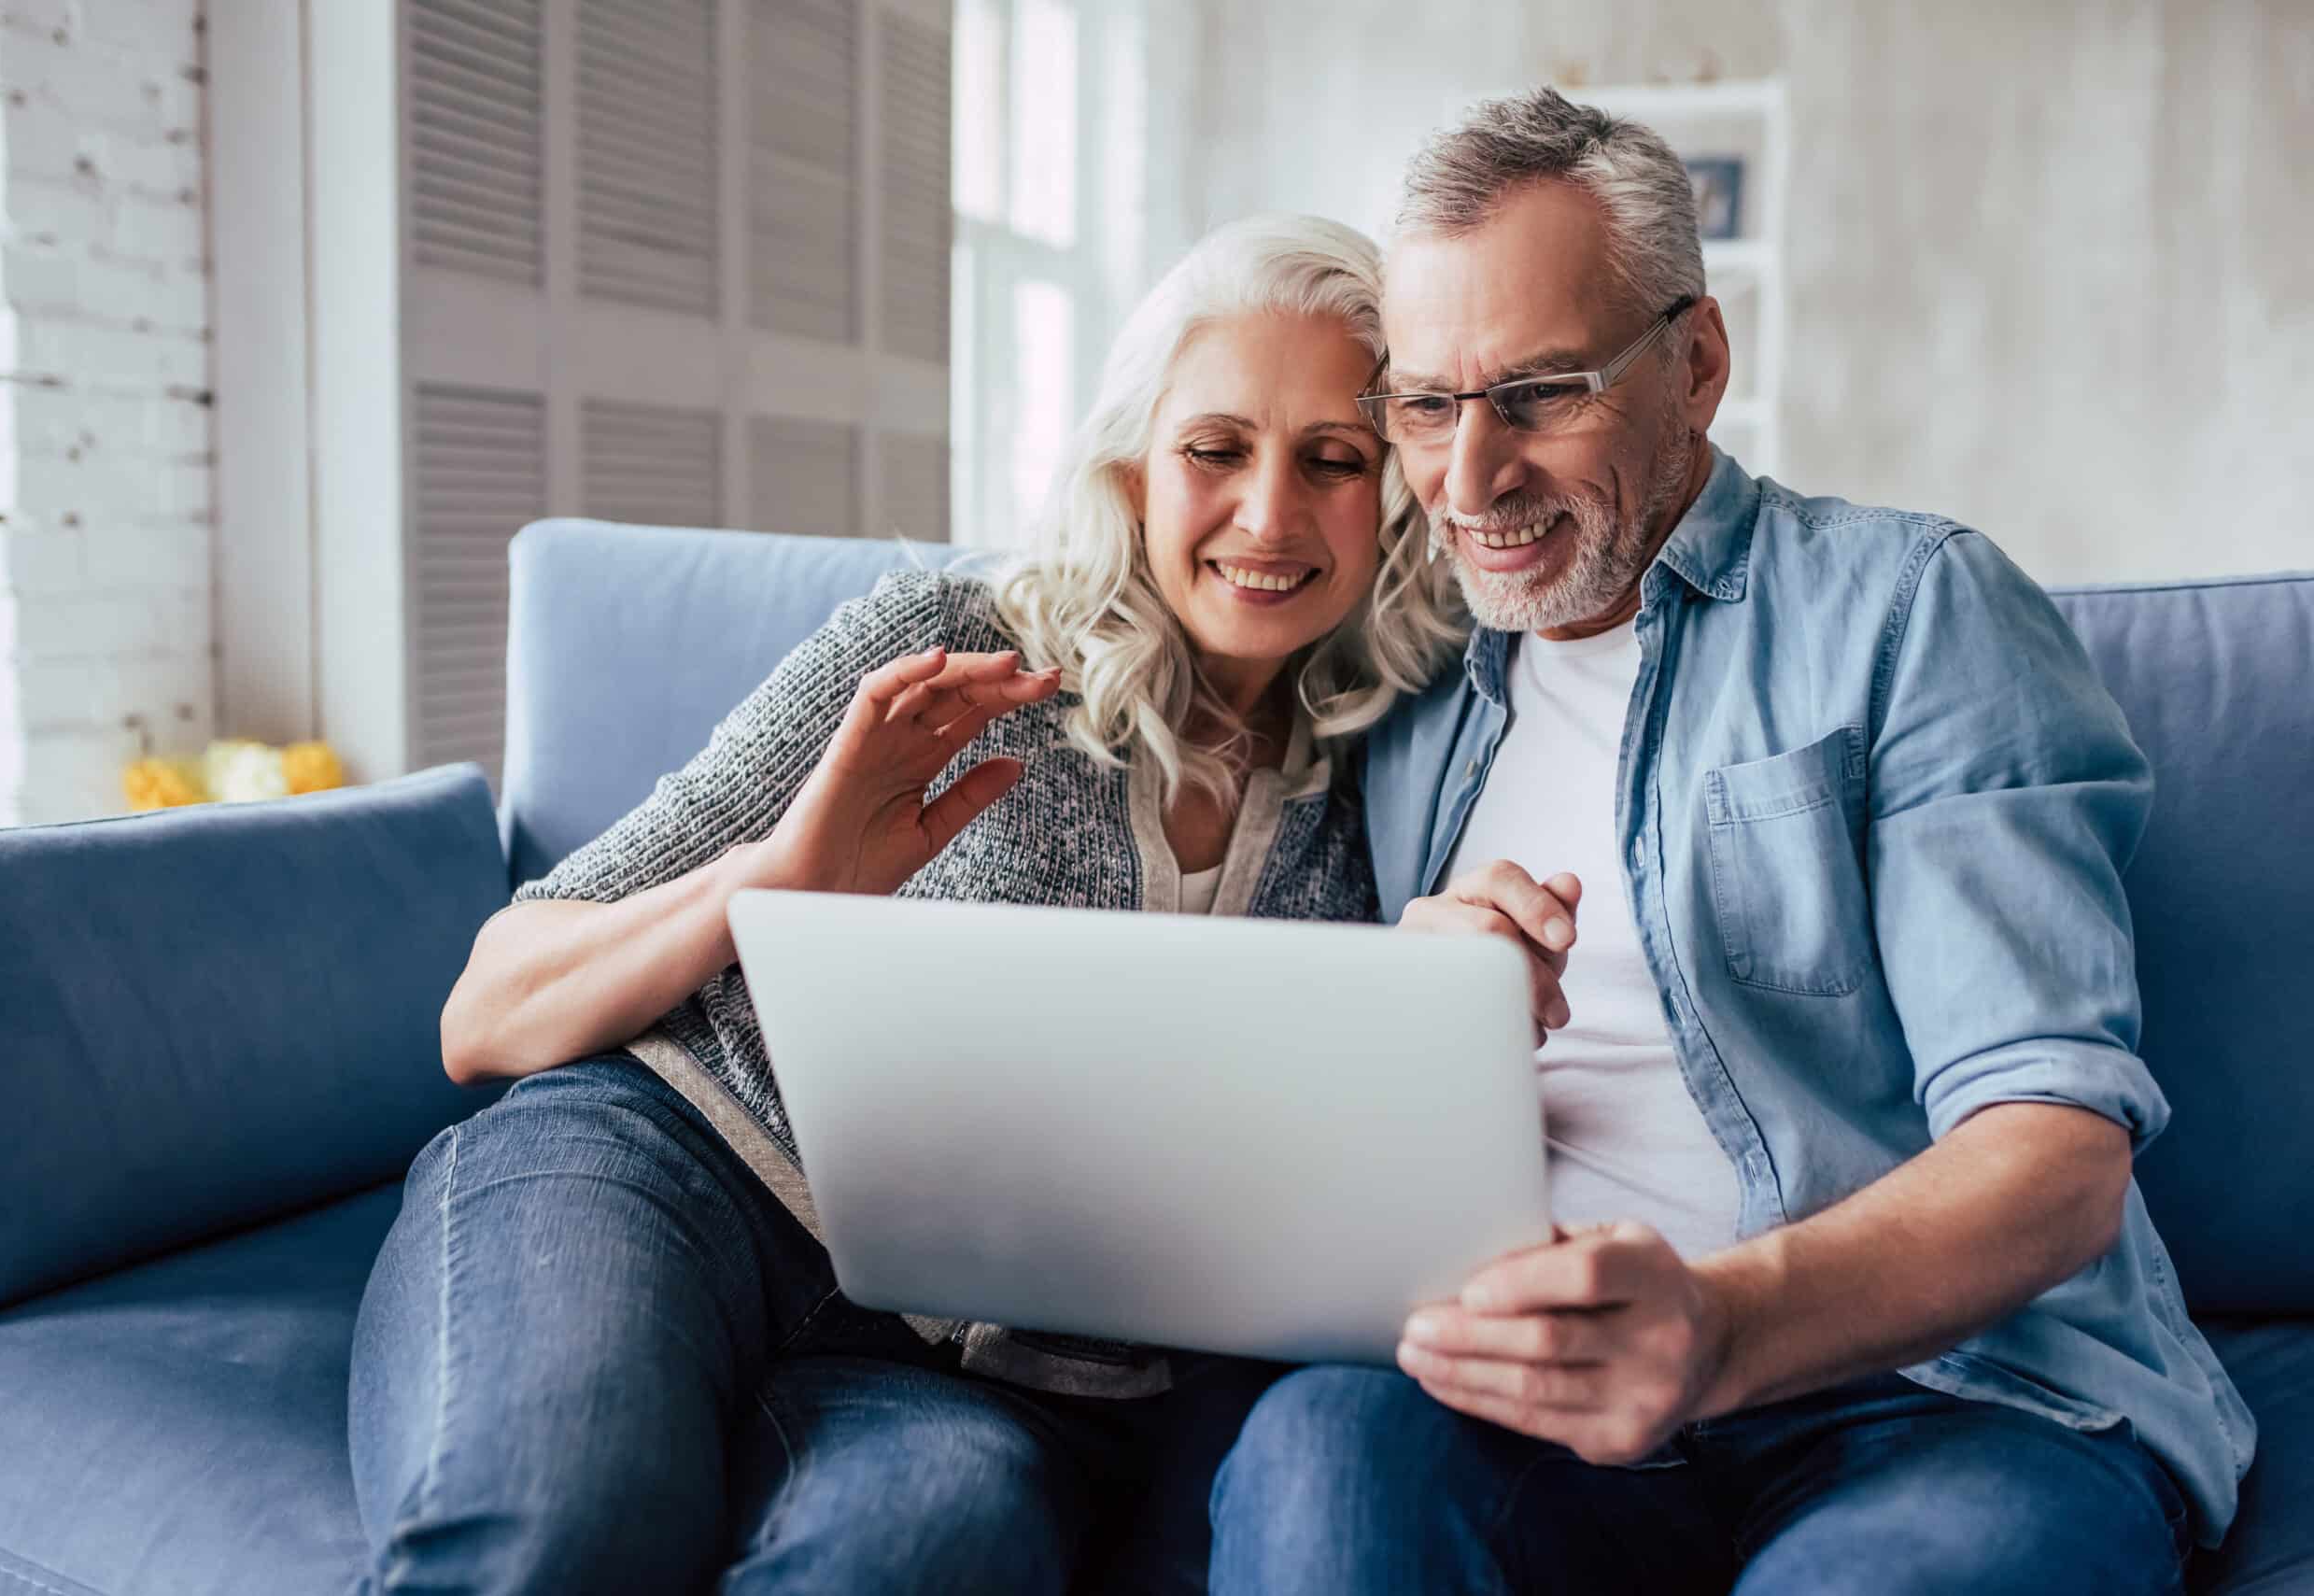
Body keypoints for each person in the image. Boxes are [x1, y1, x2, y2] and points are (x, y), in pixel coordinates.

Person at [1207, 89, 2254, 1596]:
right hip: (1539, 1408)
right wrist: (1406, 1012)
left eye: (1542, 392)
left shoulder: (1913, 613)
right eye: (1427, 406)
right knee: (1317, 1452)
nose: (1469, 478)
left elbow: (2053, 1151)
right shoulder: (1407, 676)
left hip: (1944, 1399)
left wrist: (1724, 1327)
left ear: (1696, 364)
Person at [345, 212, 1463, 1596]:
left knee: (934, 1538)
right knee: (565, 1528)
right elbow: (487, 1005)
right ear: (1132, 468)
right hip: (658, 1173)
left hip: (948, 1376)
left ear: (1394, 495)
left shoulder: (1383, 786)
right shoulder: (953, 645)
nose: (1270, 513)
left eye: (1333, 461)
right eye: (1215, 449)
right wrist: (776, 882)